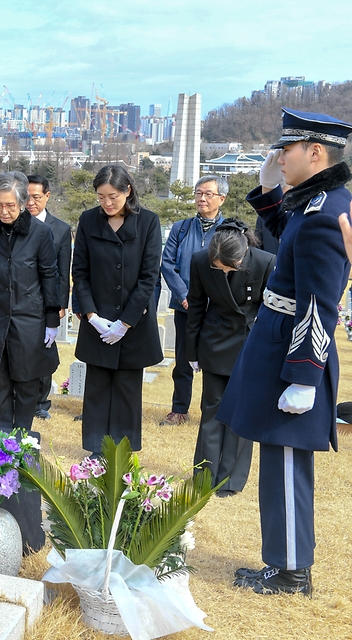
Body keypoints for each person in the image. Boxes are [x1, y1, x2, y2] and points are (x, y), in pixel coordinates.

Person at [218, 109, 352, 596]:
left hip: (293, 355)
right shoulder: (317, 203)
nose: (279, 156)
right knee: (277, 459)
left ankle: (293, 570)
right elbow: (283, 236)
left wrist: (304, 376)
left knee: (288, 461)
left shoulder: (327, 211)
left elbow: (319, 302)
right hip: (279, 346)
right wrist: (271, 190)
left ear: (315, 152)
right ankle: (283, 561)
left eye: (286, 150)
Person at [72, 165, 163, 454]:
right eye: (101, 197)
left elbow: (149, 277)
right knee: (97, 388)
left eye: (113, 197)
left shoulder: (148, 221)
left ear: (128, 191)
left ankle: (122, 451)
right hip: (97, 319)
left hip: (133, 322)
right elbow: (80, 271)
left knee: (127, 389)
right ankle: (96, 449)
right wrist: (92, 316)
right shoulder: (88, 220)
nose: (107, 203)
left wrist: (125, 323)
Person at [186, 220, 275, 498]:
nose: (223, 271)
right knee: (211, 410)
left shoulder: (265, 262)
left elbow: (271, 310)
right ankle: (204, 475)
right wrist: (191, 351)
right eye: (218, 267)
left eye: (229, 267)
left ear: (243, 254)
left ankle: (231, 479)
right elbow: (196, 306)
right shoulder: (200, 261)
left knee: (240, 413)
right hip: (214, 341)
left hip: (249, 344)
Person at [0, 172, 60, 431]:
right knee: (0, 383)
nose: (4, 211)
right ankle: (2, 435)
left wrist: (51, 319)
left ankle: (22, 436)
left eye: (10, 205)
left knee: (26, 382)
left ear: (22, 204)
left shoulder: (40, 233)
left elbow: (49, 275)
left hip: (29, 319)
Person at [158, 175, 227, 426]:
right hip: (185, 307)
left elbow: (233, 267)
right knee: (183, 361)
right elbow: (167, 264)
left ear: (222, 198)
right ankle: (179, 409)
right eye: (198, 193)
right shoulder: (181, 227)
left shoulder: (228, 230)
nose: (202, 198)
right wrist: (184, 296)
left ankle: (213, 412)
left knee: (215, 362)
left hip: (217, 309)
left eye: (209, 193)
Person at [26, 174, 71, 420]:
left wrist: (60, 305)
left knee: (44, 350)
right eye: (27, 197)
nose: (31, 203)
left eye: (36, 197)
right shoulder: (13, 223)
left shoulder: (61, 229)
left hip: (46, 301)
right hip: (20, 300)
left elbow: (63, 271)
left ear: (47, 196)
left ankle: (41, 402)